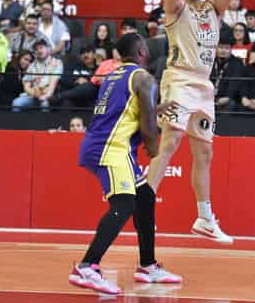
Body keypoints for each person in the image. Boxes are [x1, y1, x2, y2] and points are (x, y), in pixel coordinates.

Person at [146, 0, 238, 243]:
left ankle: (204, 218)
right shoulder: (175, 8)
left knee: (204, 154)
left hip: (204, 87)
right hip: (178, 80)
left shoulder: (213, 9)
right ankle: (144, 207)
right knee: (170, 143)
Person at [71, 33, 181, 294]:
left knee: (144, 197)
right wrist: (154, 148)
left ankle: (147, 265)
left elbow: (125, 109)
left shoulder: (114, 76)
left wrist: (157, 107)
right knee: (124, 203)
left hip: (104, 143)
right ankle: (87, 266)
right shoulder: (144, 77)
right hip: (110, 148)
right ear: (142, 50)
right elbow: (148, 127)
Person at [12, 40, 63, 112]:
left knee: (44, 104)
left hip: (48, 96)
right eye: (36, 49)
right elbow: (26, 86)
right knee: (16, 103)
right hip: (33, 95)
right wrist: (33, 93)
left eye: (41, 48)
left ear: (47, 48)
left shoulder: (57, 63)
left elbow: (53, 84)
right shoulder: (32, 65)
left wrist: (45, 96)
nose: (39, 50)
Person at [211, 33, 244, 110]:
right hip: (209, 97)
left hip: (227, 97)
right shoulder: (211, 61)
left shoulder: (237, 63)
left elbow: (235, 83)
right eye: (220, 47)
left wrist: (228, 96)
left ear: (231, 50)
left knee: (231, 104)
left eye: (226, 48)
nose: (223, 51)